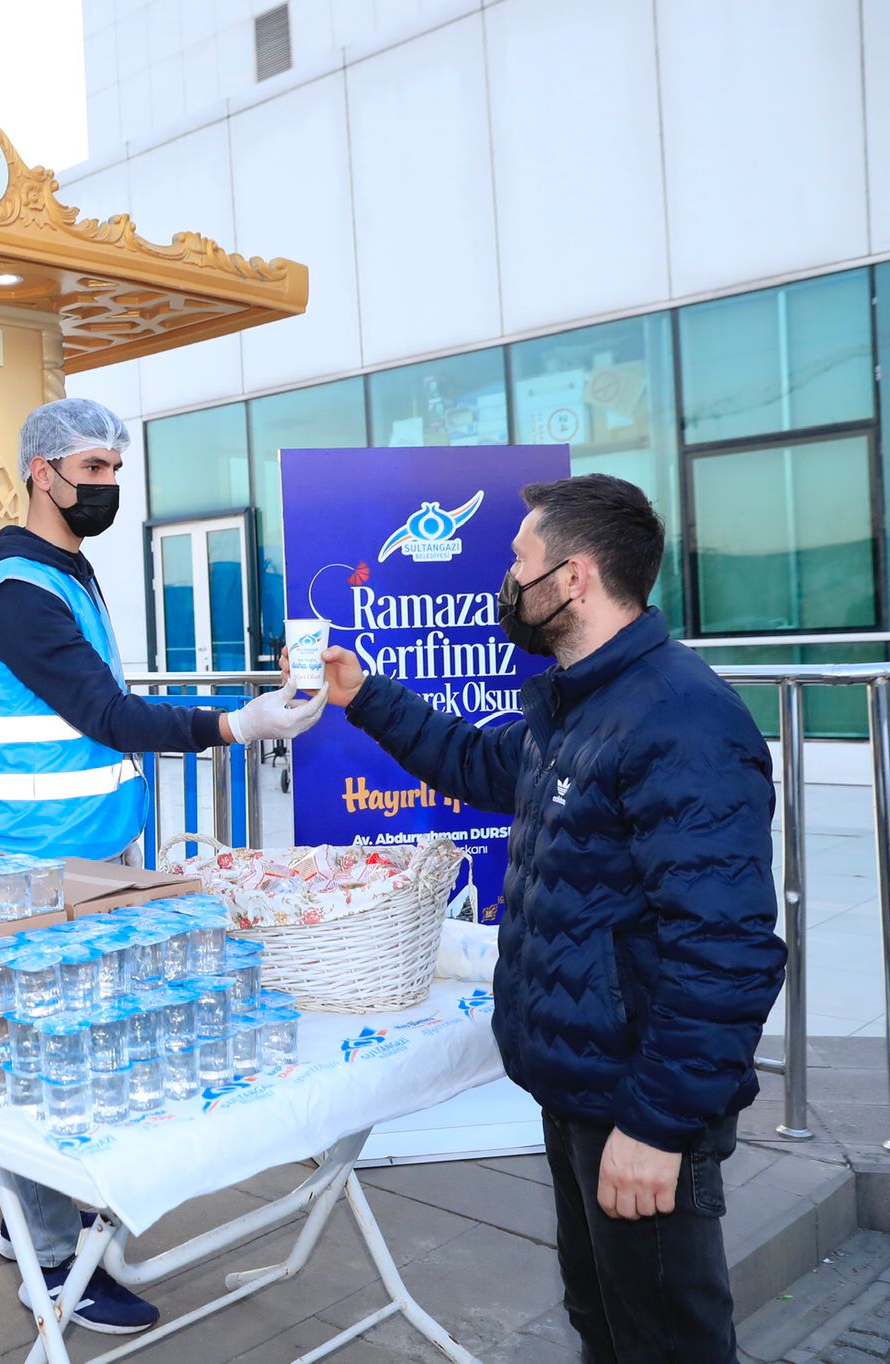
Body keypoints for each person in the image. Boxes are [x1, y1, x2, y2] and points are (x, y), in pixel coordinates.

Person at [316, 473, 785, 1364]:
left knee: (665, 1342)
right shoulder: (574, 700)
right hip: (580, 1087)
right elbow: (475, 764)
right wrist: (364, 694)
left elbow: (724, 951)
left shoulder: (682, 718)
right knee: (602, 1322)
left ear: (571, 578)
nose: (507, 578)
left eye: (519, 560)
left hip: (640, 1105)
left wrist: (656, 1127)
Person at [0, 397, 327, 1334]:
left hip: (92, 855)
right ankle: (50, 1263)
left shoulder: (63, 570)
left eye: (116, 471)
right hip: (44, 868)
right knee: (45, 1062)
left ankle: (33, 1224)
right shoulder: (15, 590)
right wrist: (233, 725)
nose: (109, 487)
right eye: (93, 471)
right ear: (41, 473)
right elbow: (108, 714)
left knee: (73, 1048)